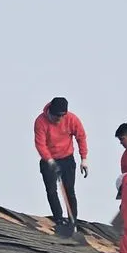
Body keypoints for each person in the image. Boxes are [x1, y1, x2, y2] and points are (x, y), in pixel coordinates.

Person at [33, 97, 88, 227]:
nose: (60, 119)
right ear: (50, 112)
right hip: (48, 160)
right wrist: (50, 161)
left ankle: (72, 221)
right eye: (57, 116)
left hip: (67, 159)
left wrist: (84, 158)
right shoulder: (40, 122)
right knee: (51, 190)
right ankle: (58, 219)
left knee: (69, 191)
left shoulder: (71, 119)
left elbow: (81, 137)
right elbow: (40, 144)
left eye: (62, 116)